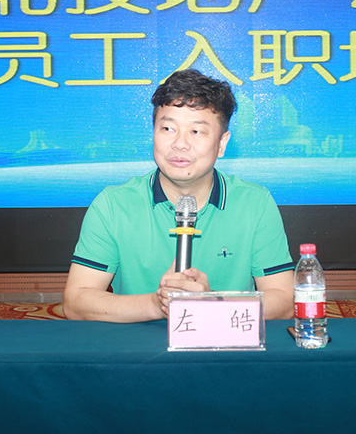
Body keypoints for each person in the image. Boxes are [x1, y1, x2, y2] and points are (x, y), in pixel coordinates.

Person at [64, 69, 295, 323]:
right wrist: (158, 304)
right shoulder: (113, 204)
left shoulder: (255, 204)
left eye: (196, 131)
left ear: (221, 144)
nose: (180, 144)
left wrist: (213, 304)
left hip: (226, 343)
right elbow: (76, 302)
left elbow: (285, 301)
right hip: (137, 345)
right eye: (168, 128)